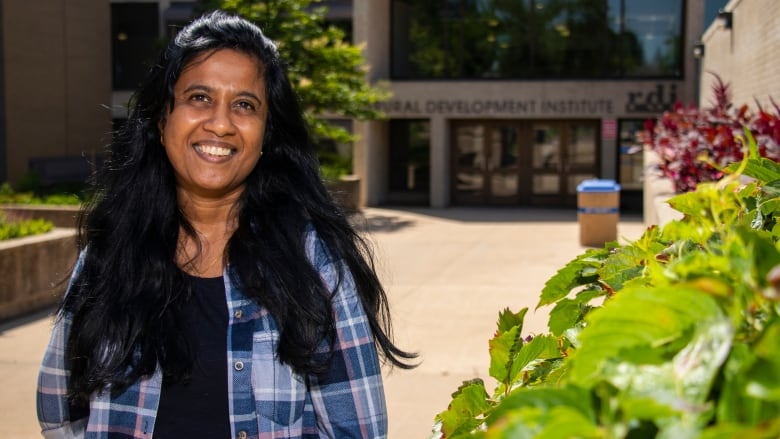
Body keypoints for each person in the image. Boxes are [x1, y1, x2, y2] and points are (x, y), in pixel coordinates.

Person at [37, 10, 415, 439]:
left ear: (266, 135)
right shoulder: (112, 251)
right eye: (199, 97)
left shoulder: (313, 260)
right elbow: (60, 409)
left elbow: (357, 431)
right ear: (163, 121)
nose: (220, 123)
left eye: (244, 105)